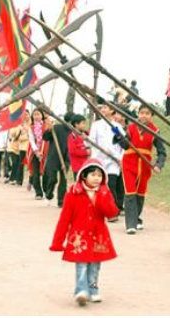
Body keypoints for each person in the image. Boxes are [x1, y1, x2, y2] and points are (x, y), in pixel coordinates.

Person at [49, 159, 118, 306]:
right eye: (93, 174)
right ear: (84, 176)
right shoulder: (73, 194)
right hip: (79, 236)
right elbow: (64, 219)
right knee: (81, 264)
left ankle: (93, 289)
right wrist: (57, 242)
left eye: (99, 175)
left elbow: (112, 213)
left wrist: (104, 196)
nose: (96, 178)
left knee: (95, 265)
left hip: (99, 235)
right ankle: (81, 290)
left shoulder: (104, 192)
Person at [120, 104, 166, 234]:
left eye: (147, 113)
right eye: (141, 112)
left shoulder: (155, 131)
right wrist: (120, 136)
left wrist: (158, 165)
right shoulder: (130, 128)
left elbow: (162, 152)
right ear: (138, 114)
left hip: (145, 166)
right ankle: (131, 224)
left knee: (140, 194)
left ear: (152, 116)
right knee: (130, 192)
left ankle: (136, 219)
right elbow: (124, 145)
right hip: (129, 163)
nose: (144, 115)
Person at [89, 104, 125, 221]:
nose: (103, 110)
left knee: (111, 185)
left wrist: (120, 158)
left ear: (112, 110)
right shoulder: (95, 125)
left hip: (114, 160)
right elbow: (92, 142)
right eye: (101, 108)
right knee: (98, 186)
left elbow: (123, 143)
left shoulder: (116, 127)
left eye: (105, 108)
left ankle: (113, 211)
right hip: (99, 159)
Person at [42, 114, 72, 207]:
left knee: (63, 180)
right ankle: (49, 195)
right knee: (52, 179)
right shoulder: (56, 128)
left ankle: (61, 201)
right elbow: (45, 138)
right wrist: (49, 130)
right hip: (53, 157)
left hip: (66, 158)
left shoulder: (74, 131)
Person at [27, 109, 47, 199]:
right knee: (35, 173)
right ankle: (38, 193)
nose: (36, 116)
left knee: (46, 172)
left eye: (38, 114)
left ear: (42, 115)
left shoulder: (46, 127)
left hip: (46, 151)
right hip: (35, 152)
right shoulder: (30, 128)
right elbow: (31, 140)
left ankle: (46, 189)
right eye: (34, 114)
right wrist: (37, 152)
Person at [67, 114, 90, 180]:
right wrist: (86, 152)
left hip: (88, 164)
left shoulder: (87, 134)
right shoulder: (72, 137)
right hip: (78, 166)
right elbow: (73, 151)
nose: (85, 125)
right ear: (76, 124)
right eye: (83, 123)